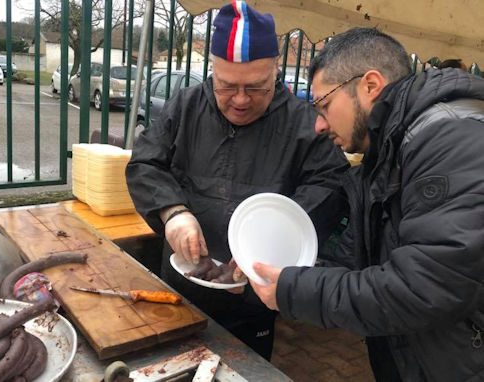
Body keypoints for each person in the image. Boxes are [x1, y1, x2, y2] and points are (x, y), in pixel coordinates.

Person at [250, 27, 484, 380]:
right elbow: (360, 259)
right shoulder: (390, 148)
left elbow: (424, 287)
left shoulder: (452, 139)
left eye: (324, 105)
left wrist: (292, 290)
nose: (318, 124)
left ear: (370, 86)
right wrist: (274, 266)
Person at [125, 1, 349, 360]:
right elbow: (145, 164)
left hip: (253, 299)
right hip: (179, 287)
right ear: (212, 70)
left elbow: (334, 187)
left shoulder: (305, 124)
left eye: (257, 87)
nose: (241, 100)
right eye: (227, 87)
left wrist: (272, 237)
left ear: (276, 71)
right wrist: (172, 212)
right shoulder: (186, 106)